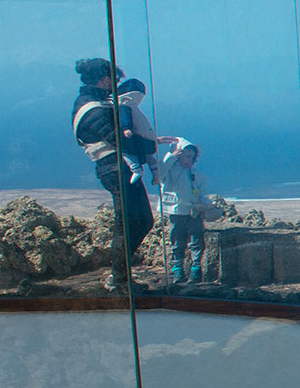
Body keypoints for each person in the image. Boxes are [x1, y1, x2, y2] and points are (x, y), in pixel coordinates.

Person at [71, 57, 158, 293]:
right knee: (129, 224)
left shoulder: (92, 103)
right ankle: (119, 280)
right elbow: (117, 139)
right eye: (113, 78)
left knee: (139, 221)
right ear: (104, 79)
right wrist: (151, 145)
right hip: (115, 167)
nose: (116, 83)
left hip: (116, 167)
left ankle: (119, 275)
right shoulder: (93, 108)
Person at [153, 136, 211, 284]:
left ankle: (196, 269)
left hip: (193, 212)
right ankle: (177, 269)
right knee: (177, 241)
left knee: (196, 241)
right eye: (187, 156)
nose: (190, 160)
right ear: (178, 154)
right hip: (176, 212)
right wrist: (171, 158)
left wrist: (206, 205)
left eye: (193, 157)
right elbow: (158, 176)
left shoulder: (196, 174)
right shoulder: (169, 172)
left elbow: (202, 192)